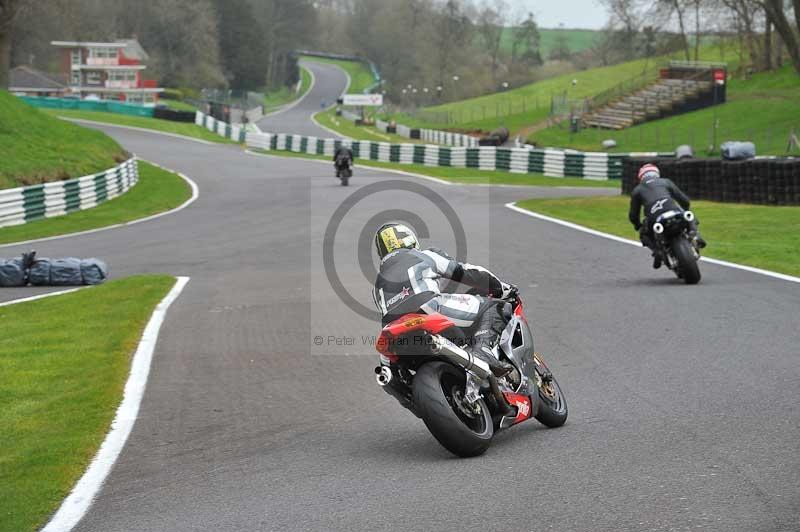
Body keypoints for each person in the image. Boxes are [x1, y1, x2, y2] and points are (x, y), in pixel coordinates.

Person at [372, 223, 516, 376]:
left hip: (393, 333)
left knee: (388, 370)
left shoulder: (376, 286)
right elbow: (464, 271)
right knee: (495, 307)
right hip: (428, 309)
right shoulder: (423, 255)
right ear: (408, 239)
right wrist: (501, 288)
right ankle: (483, 350)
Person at [629, 163, 706, 269]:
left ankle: (658, 253)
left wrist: (637, 225)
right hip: (672, 209)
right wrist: (685, 208)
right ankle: (695, 235)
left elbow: (633, 215)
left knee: (644, 234)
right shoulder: (666, 182)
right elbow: (684, 200)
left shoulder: (637, 190)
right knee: (689, 215)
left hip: (654, 216)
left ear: (641, 177)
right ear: (656, 174)